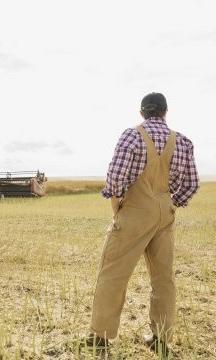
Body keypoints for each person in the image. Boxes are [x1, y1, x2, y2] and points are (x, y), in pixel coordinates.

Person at [84, 92, 200, 354]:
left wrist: (117, 207)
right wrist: (171, 203)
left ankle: (100, 336)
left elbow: (115, 179)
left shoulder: (131, 135)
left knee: (113, 272)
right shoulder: (183, 141)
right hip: (165, 213)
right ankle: (161, 338)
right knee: (163, 277)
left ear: (142, 113)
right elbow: (192, 184)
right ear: (165, 112)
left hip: (135, 211)